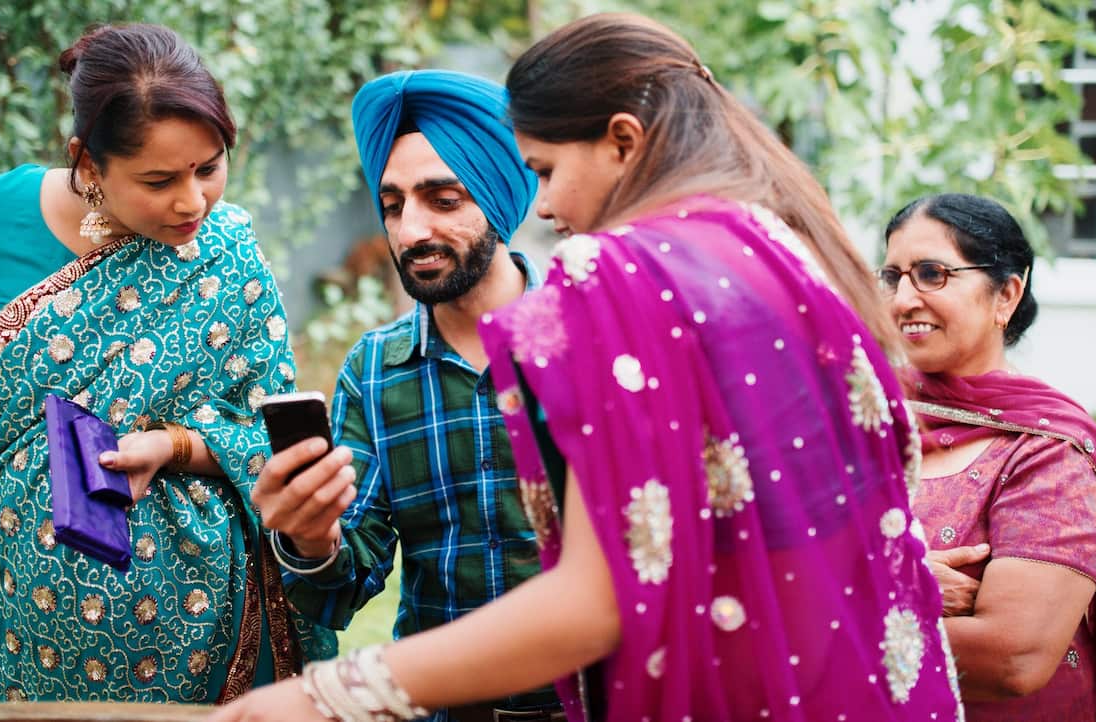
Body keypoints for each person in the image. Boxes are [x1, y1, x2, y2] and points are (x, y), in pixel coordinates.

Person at [212, 13, 962, 722]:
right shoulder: (775, 247)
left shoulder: (612, 283)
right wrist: (311, 539)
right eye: (393, 202)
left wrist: (333, 694)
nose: (542, 206)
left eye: (542, 169)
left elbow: (602, 601)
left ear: (623, 144)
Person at [0, 23, 334, 702]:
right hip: (32, 629)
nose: (192, 202)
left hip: (212, 635)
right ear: (87, 161)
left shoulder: (228, 253)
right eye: (158, 180)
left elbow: (269, 441)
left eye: (209, 167)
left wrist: (173, 445)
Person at [252, 70, 562, 721]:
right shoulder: (375, 370)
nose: (410, 230)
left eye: (443, 200)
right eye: (392, 206)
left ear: (501, 199)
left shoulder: (587, 341)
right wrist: (313, 539)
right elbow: (340, 591)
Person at [881, 193, 1096, 721]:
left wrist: (835, 610)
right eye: (894, 277)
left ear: (1005, 293)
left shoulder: (1047, 454)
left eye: (932, 274)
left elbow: (1013, 657)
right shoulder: (865, 418)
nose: (902, 300)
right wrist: (899, 583)